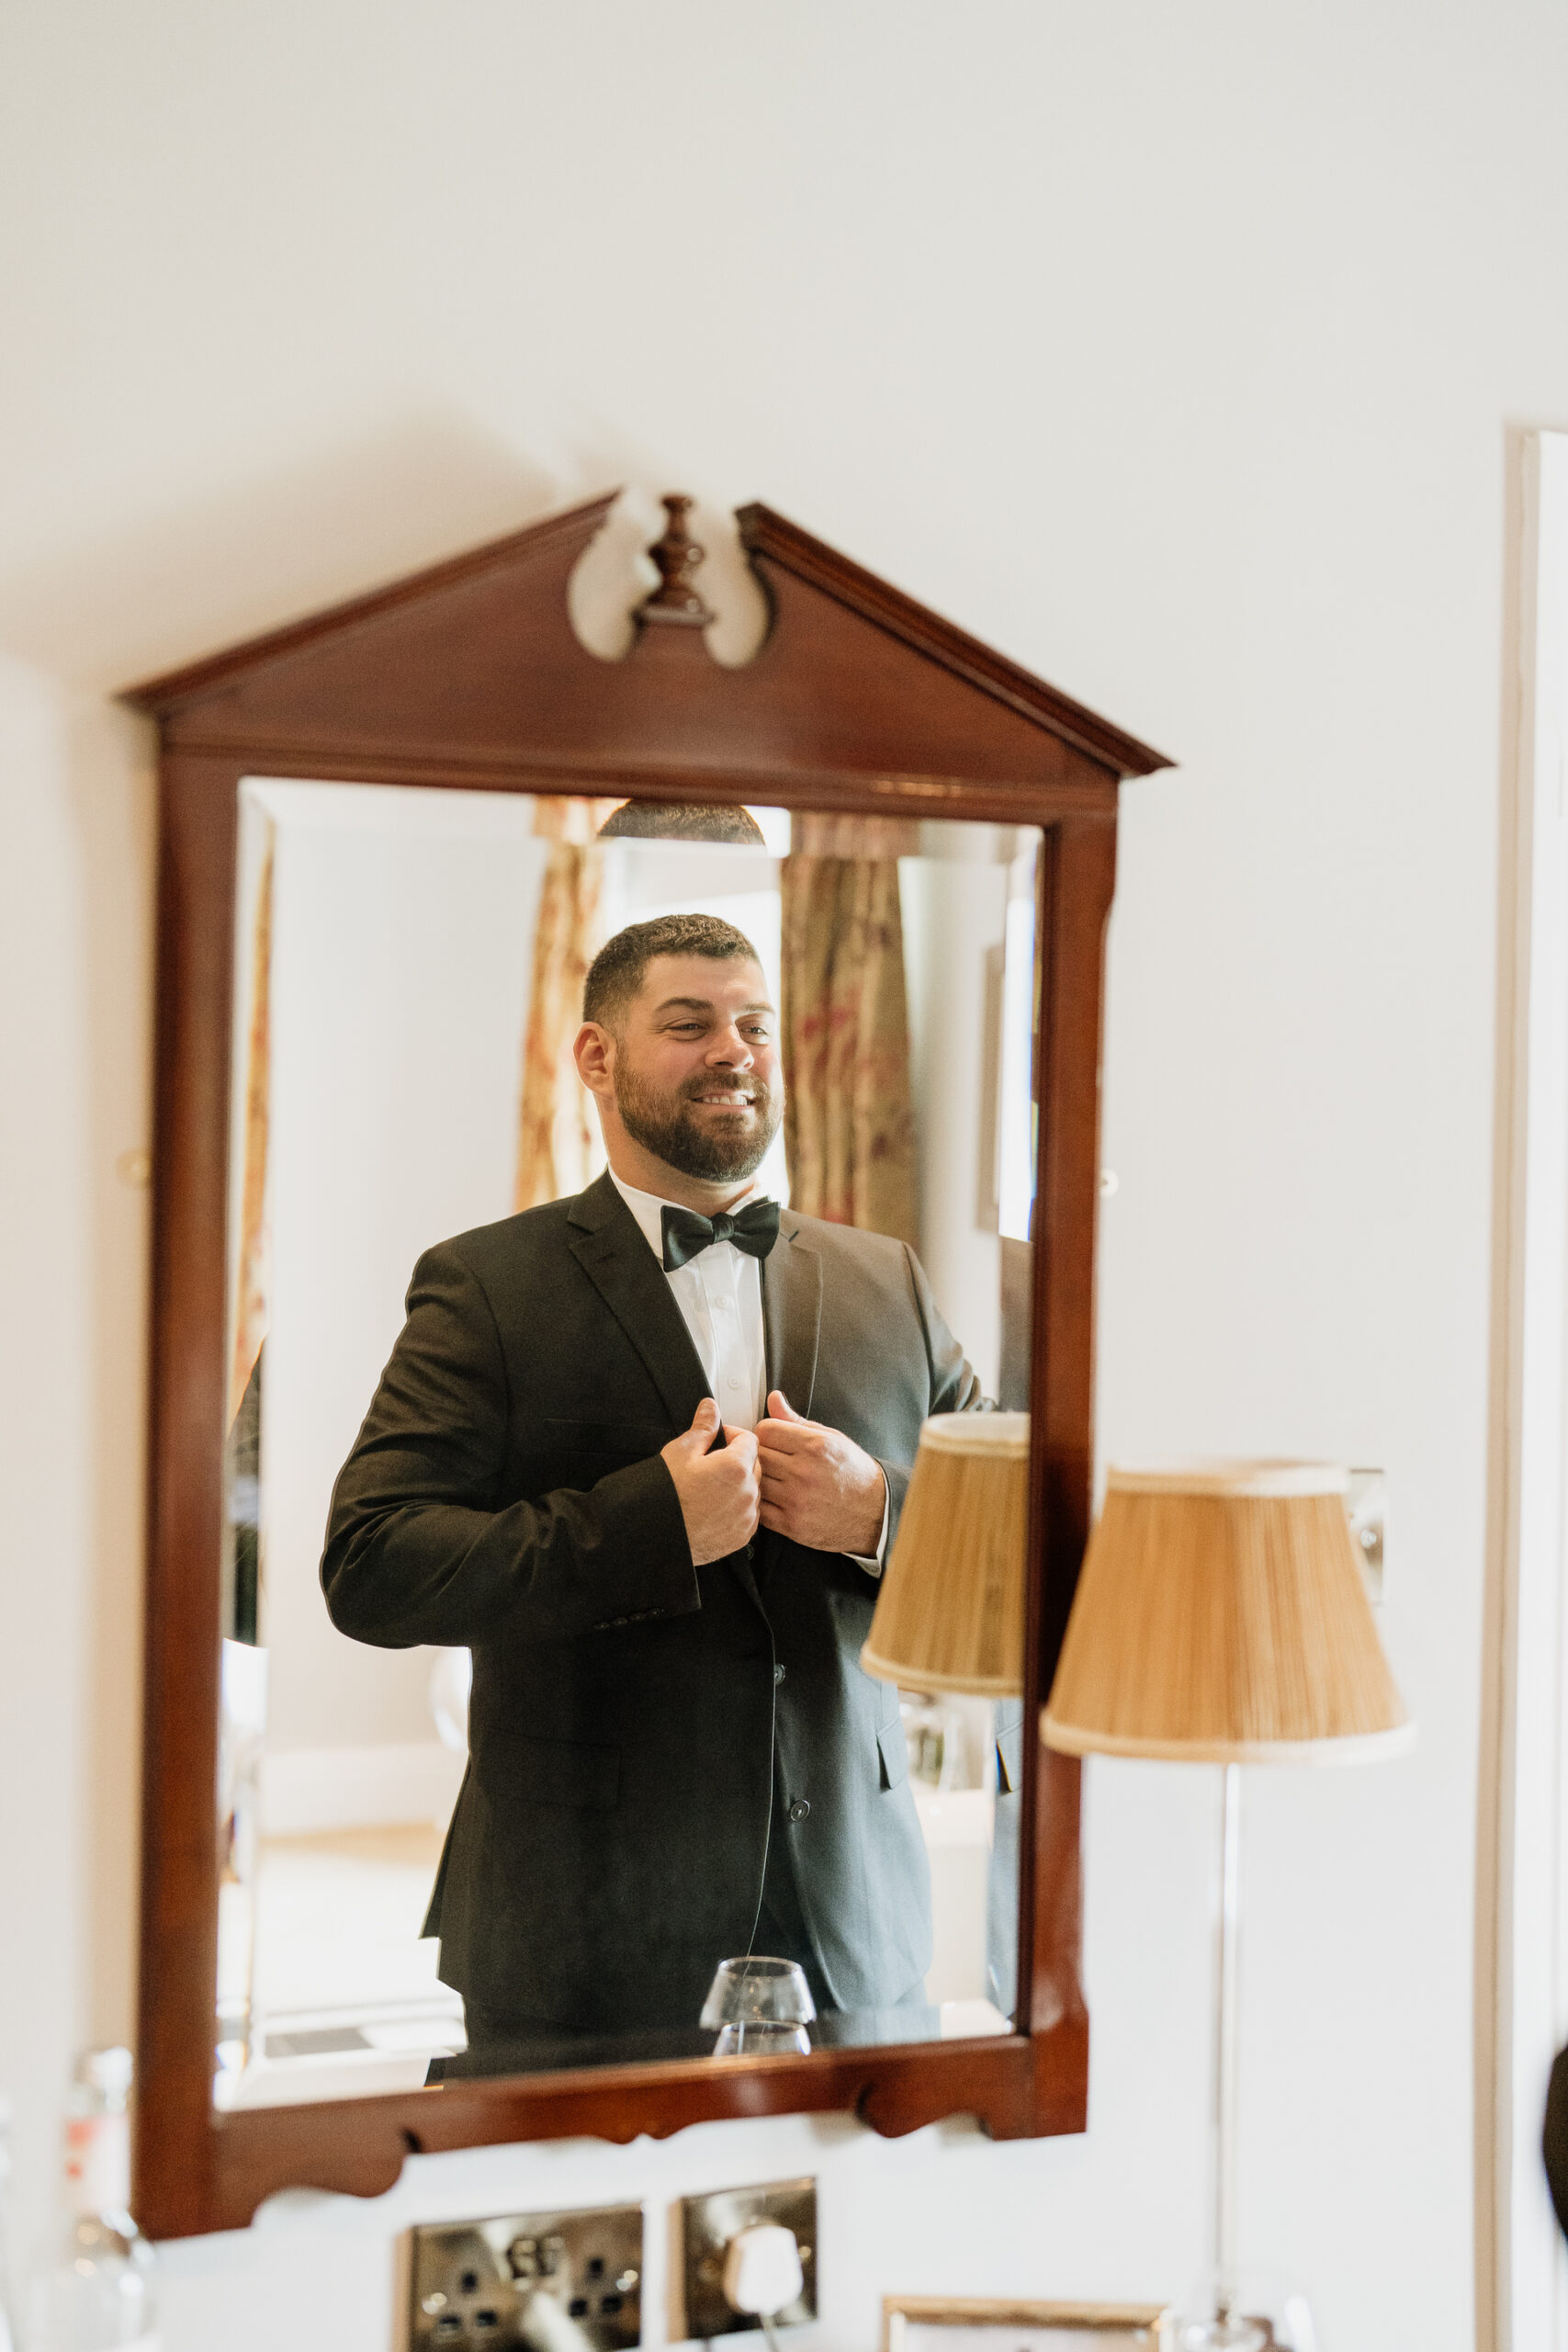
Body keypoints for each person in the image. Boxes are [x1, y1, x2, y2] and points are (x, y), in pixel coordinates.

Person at [321, 911, 984, 2053]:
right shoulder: (486, 1285)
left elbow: (1020, 1552)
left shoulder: (893, 1284)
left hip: (853, 1923)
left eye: (756, 1024)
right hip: (579, 1925)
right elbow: (371, 1564)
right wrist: (646, 1528)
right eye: (690, 1024)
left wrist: (881, 1516)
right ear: (596, 1056)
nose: (735, 1050)